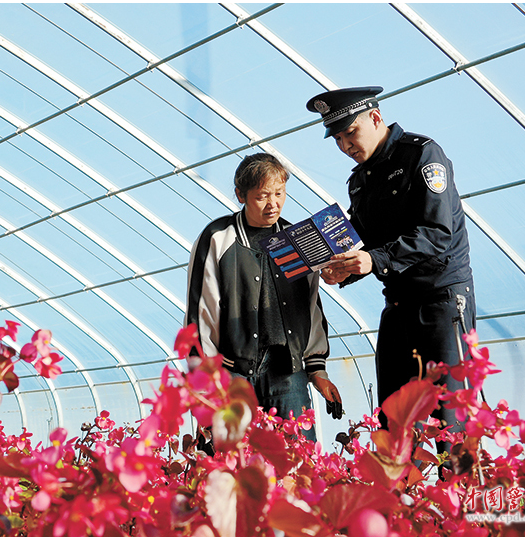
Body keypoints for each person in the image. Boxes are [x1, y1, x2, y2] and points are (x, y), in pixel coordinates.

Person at [305, 86, 475, 441]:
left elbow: (437, 232)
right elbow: (363, 240)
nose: (345, 145)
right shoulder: (360, 181)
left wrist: (372, 259)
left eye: (350, 133)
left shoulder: (422, 155)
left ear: (376, 118)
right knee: (393, 414)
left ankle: (455, 492)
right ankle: (403, 495)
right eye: (337, 138)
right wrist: (341, 268)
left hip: (441, 300)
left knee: (449, 415)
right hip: (397, 303)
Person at [185, 153, 343, 442]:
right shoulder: (218, 237)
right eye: (262, 196)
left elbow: (311, 306)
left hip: (288, 373)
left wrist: (317, 369)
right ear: (240, 195)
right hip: (231, 374)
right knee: (234, 463)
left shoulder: (298, 238)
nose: (273, 204)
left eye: (280, 193)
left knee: (298, 462)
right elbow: (201, 313)